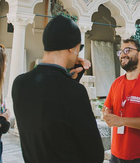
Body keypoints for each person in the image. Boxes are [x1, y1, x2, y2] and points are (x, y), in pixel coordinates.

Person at [12, 15, 104, 163]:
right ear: (71, 47)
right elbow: (95, 153)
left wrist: (70, 79)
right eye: (79, 48)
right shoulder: (73, 92)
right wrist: (71, 84)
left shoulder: (20, 83)